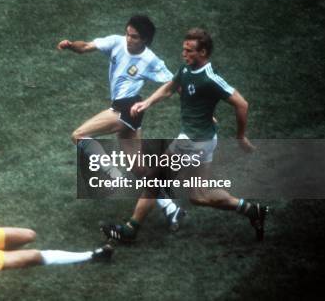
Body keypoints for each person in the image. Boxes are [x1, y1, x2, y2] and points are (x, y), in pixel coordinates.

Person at [101, 28, 268, 243]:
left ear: (203, 52)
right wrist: (146, 103)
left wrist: (240, 137)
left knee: (153, 180)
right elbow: (170, 87)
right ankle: (252, 210)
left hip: (193, 140)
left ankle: (129, 230)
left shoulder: (210, 78)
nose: (184, 54)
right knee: (199, 196)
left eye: (189, 51)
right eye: (184, 49)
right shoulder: (187, 68)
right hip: (202, 140)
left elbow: (242, 104)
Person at [57, 15, 185, 230]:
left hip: (126, 108)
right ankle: (172, 209)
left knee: (79, 135)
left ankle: (112, 174)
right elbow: (86, 46)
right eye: (127, 33)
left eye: (134, 37)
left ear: (144, 39)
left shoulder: (151, 61)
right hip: (128, 112)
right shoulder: (116, 42)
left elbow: (175, 85)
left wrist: (202, 110)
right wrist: (71, 45)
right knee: (139, 169)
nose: (128, 39)